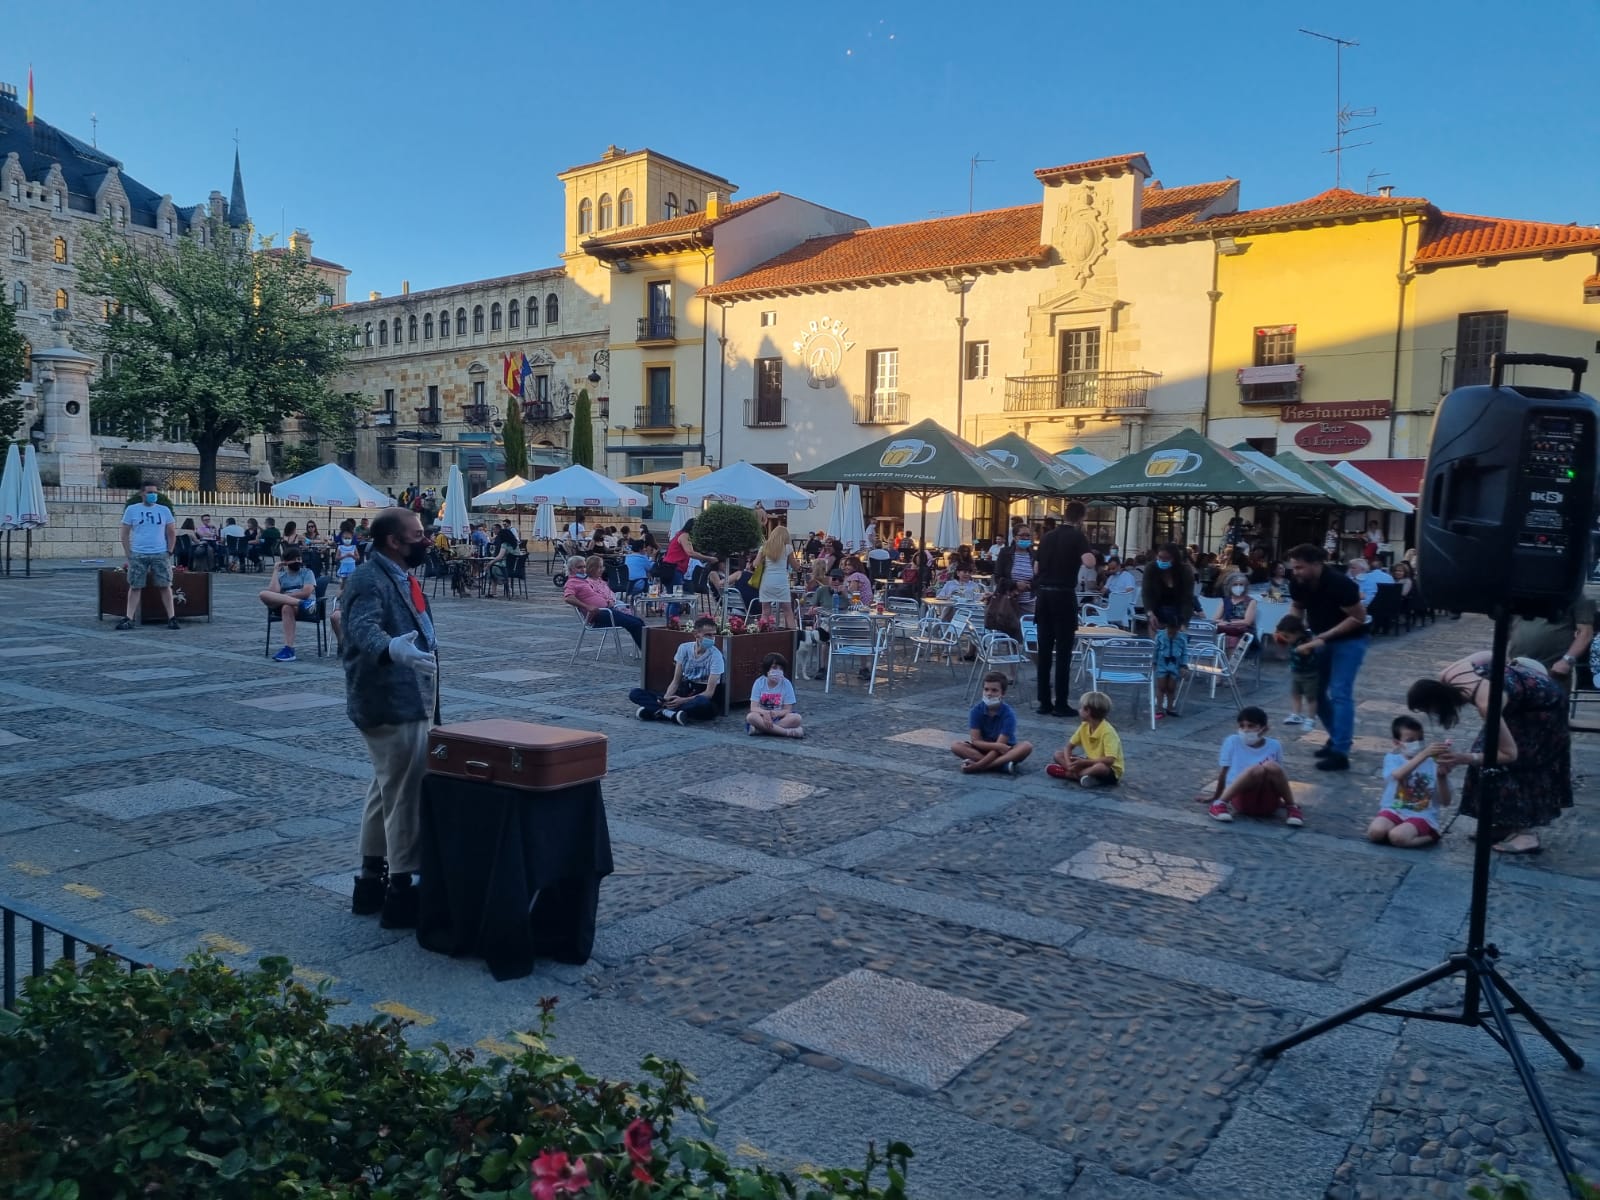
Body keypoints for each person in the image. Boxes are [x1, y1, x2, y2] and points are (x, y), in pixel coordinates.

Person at [339, 507, 439, 929]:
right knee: (405, 795)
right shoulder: (367, 577)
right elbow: (361, 627)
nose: (426, 539)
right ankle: (403, 887)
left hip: (412, 696)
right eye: (418, 534)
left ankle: (370, 880)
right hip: (390, 700)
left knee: (385, 790)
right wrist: (391, 648)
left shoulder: (401, 574)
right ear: (394, 541)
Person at [1407, 652, 1570, 855]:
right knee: (1483, 753)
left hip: (1544, 707)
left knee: (1515, 765)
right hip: (1517, 700)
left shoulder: (1487, 704)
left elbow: (1509, 754)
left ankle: (1525, 833)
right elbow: (1491, 654)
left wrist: (1464, 758)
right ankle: (1504, 822)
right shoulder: (1447, 675)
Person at [1287, 544, 1368, 771]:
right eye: (1294, 568)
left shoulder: (1340, 584)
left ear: (1316, 564)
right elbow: (1297, 606)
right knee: (1315, 690)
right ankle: (1337, 738)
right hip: (1319, 638)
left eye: (1300, 567)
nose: (1296, 572)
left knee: (1340, 692)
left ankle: (1340, 752)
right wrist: (1294, 632)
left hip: (1350, 640)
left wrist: (1325, 637)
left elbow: (1359, 617)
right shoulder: (1299, 582)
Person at [1032, 501, 1097, 716]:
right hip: (1063, 596)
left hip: (1043, 596)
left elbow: (1036, 567)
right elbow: (1088, 562)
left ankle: (1043, 701)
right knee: (1063, 652)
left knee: (1044, 650)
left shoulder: (1048, 536)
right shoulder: (1078, 537)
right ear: (1081, 517)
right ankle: (1060, 703)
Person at [1199, 706, 1302, 825]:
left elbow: (1278, 777)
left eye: (1251, 726)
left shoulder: (1274, 745)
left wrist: (1282, 800)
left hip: (1268, 802)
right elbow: (1224, 772)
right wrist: (1216, 797)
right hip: (1241, 797)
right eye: (1242, 726)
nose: (1245, 730)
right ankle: (1219, 804)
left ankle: (1292, 807)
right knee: (1257, 769)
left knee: (1271, 766)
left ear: (1263, 728)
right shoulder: (1233, 741)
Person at [1367, 716, 1452, 848]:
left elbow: (1446, 801)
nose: (1417, 744)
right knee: (1375, 833)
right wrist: (1423, 754)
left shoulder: (1432, 764)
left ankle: (1432, 835)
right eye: (1411, 740)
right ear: (1397, 743)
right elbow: (1398, 774)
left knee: (1398, 838)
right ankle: (1399, 829)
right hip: (1394, 810)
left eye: (1420, 739)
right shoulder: (1392, 759)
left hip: (1422, 814)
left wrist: (1442, 777)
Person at [629, 615, 724, 724]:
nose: (712, 638)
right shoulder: (684, 648)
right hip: (684, 690)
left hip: (700, 695)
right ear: (696, 634)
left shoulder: (716, 656)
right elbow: (676, 681)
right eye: (708, 635)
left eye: (713, 635)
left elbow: (709, 693)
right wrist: (667, 698)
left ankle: (658, 711)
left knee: (702, 703)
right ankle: (670, 713)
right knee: (635, 693)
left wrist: (682, 701)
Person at [116, 481, 180, 630]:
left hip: (160, 553)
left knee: (165, 585)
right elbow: (124, 533)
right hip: (139, 553)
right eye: (149, 492)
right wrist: (128, 553)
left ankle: (172, 617)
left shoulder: (164, 510)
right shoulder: (132, 510)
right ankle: (129, 617)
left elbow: (171, 532)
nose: (153, 495)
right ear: (142, 493)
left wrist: (169, 551)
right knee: (135, 586)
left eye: (155, 493)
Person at [950, 672, 1033, 775]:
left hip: (1005, 750)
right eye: (986, 689)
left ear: (1002, 694)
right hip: (983, 749)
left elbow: (1001, 746)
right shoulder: (976, 711)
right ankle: (1001, 766)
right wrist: (996, 746)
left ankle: (987, 766)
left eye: (994, 690)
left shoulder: (1008, 714)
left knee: (1026, 746)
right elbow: (976, 741)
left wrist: (977, 766)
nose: (989, 693)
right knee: (955, 746)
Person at [1508, 597, 1595, 686]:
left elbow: (1586, 633)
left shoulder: (1575, 594)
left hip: (1553, 670)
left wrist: (1567, 660)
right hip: (1516, 665)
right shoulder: (1520, 593)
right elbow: (1507, 626)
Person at [1046, 690, 1123, 787]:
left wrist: (1084, 762)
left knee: (1100, 767)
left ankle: (1071, 775)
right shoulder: (1084, 726)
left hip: (1109, 770)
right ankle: (1083, 775)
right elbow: (1068, 747)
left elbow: (1110, 760)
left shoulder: (1108, 732)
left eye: (1081, 708)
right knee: (1058, 754)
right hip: (1090, 762)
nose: (1079, 710)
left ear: (1088, 711)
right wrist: (1069, 764)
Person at [563, 555, 643, 648]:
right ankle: (648, 654)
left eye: (584, 566)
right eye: (579, 567)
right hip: (599, 615)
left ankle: (650, 652)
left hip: (607, 609)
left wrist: (608, 600)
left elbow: (599, 593)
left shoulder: (583, 580)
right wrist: (587, 606)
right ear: (571, 569)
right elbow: (568, 598)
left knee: (638, 621)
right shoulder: (572, 582)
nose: (583, 569)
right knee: (635, 624)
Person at [259, 548, 318, 662]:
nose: (298, 561)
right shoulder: (282, 575)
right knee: (263, 594)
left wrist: (285, 597)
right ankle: (302, 604)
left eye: (299, 558)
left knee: (287, 607)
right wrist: (276, 571)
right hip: (298, 604)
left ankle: (288, 649)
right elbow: (273, 592)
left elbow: (306, 592)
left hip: (303, 607)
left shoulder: (307, 572)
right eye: (294, 559)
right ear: (286, 562)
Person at [1275, 613, 1321, 729]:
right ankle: (1296, 714)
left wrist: (1304, 647)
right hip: (1296, 672)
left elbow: (1319, 643)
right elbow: (1278, 635)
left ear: (1296, 633)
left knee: (1311, 697)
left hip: (1309, 674)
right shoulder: (1292, 639)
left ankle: (1311, 718)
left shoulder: (1305, 640)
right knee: (1295, 694)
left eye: (1287, 636)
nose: (1286, 639)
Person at [746, 652, 804, 738]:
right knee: (751, 717)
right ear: (767, 669)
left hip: (779, 716)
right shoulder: (759, 682)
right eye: (774, 668)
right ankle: (787, 732)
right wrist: (765, 713)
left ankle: (761, 729)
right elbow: (753, 707)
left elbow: (788, 709)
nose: (778, 671)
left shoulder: (786, 683)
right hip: (762, 717)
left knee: (797, 718)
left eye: (781, 669)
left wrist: (776, 714)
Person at [1141, 543, 1195, 634]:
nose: (1162, 561)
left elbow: (1188, 598)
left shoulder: (1185, 571)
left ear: (1175, 558)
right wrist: (1150, 613)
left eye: (1167, 558)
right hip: (1157, 610)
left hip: (1178, 611)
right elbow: (1147, 593)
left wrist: (1184, 623)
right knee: (1158, 643)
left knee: (1176, 642)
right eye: (1160, 557)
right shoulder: (1151, 568)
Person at [756, 525, 797, 628]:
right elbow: (795, 566)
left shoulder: (764, 547)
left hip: (767, 581)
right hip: (781, 581)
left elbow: (755, 564)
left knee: (765, 612)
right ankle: (792, 638)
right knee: (788, 611)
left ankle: (763, 635)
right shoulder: (788, 548)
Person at [1214, 571, 1258, 650]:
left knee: (1232, 640)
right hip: (1227, 630)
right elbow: (1215, 619)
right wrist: (1223, 623)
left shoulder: (1251, 601)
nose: (1238, 587)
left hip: (1243, 632)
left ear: (1245, 586)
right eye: (1235, 584)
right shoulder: (1225, 601)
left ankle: (1229, 661)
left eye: (1241, 585)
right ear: (1230, 586)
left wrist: (1228, 623)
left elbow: (1247, 622)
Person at [1153, 620, 1188, 719]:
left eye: (1174, 632)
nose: (1171, 634)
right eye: (1169, 631)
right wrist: (1154, 662)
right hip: (1162, 664)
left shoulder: (1182, 638)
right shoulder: (1160, 636)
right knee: (1161, 687)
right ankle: (1159, 708)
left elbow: (1185, 652)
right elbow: (1156, 649)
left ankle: (1170, 707)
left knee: (1171, 687)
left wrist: (1183, 665)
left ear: (1178, 629)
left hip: (1175, 664)